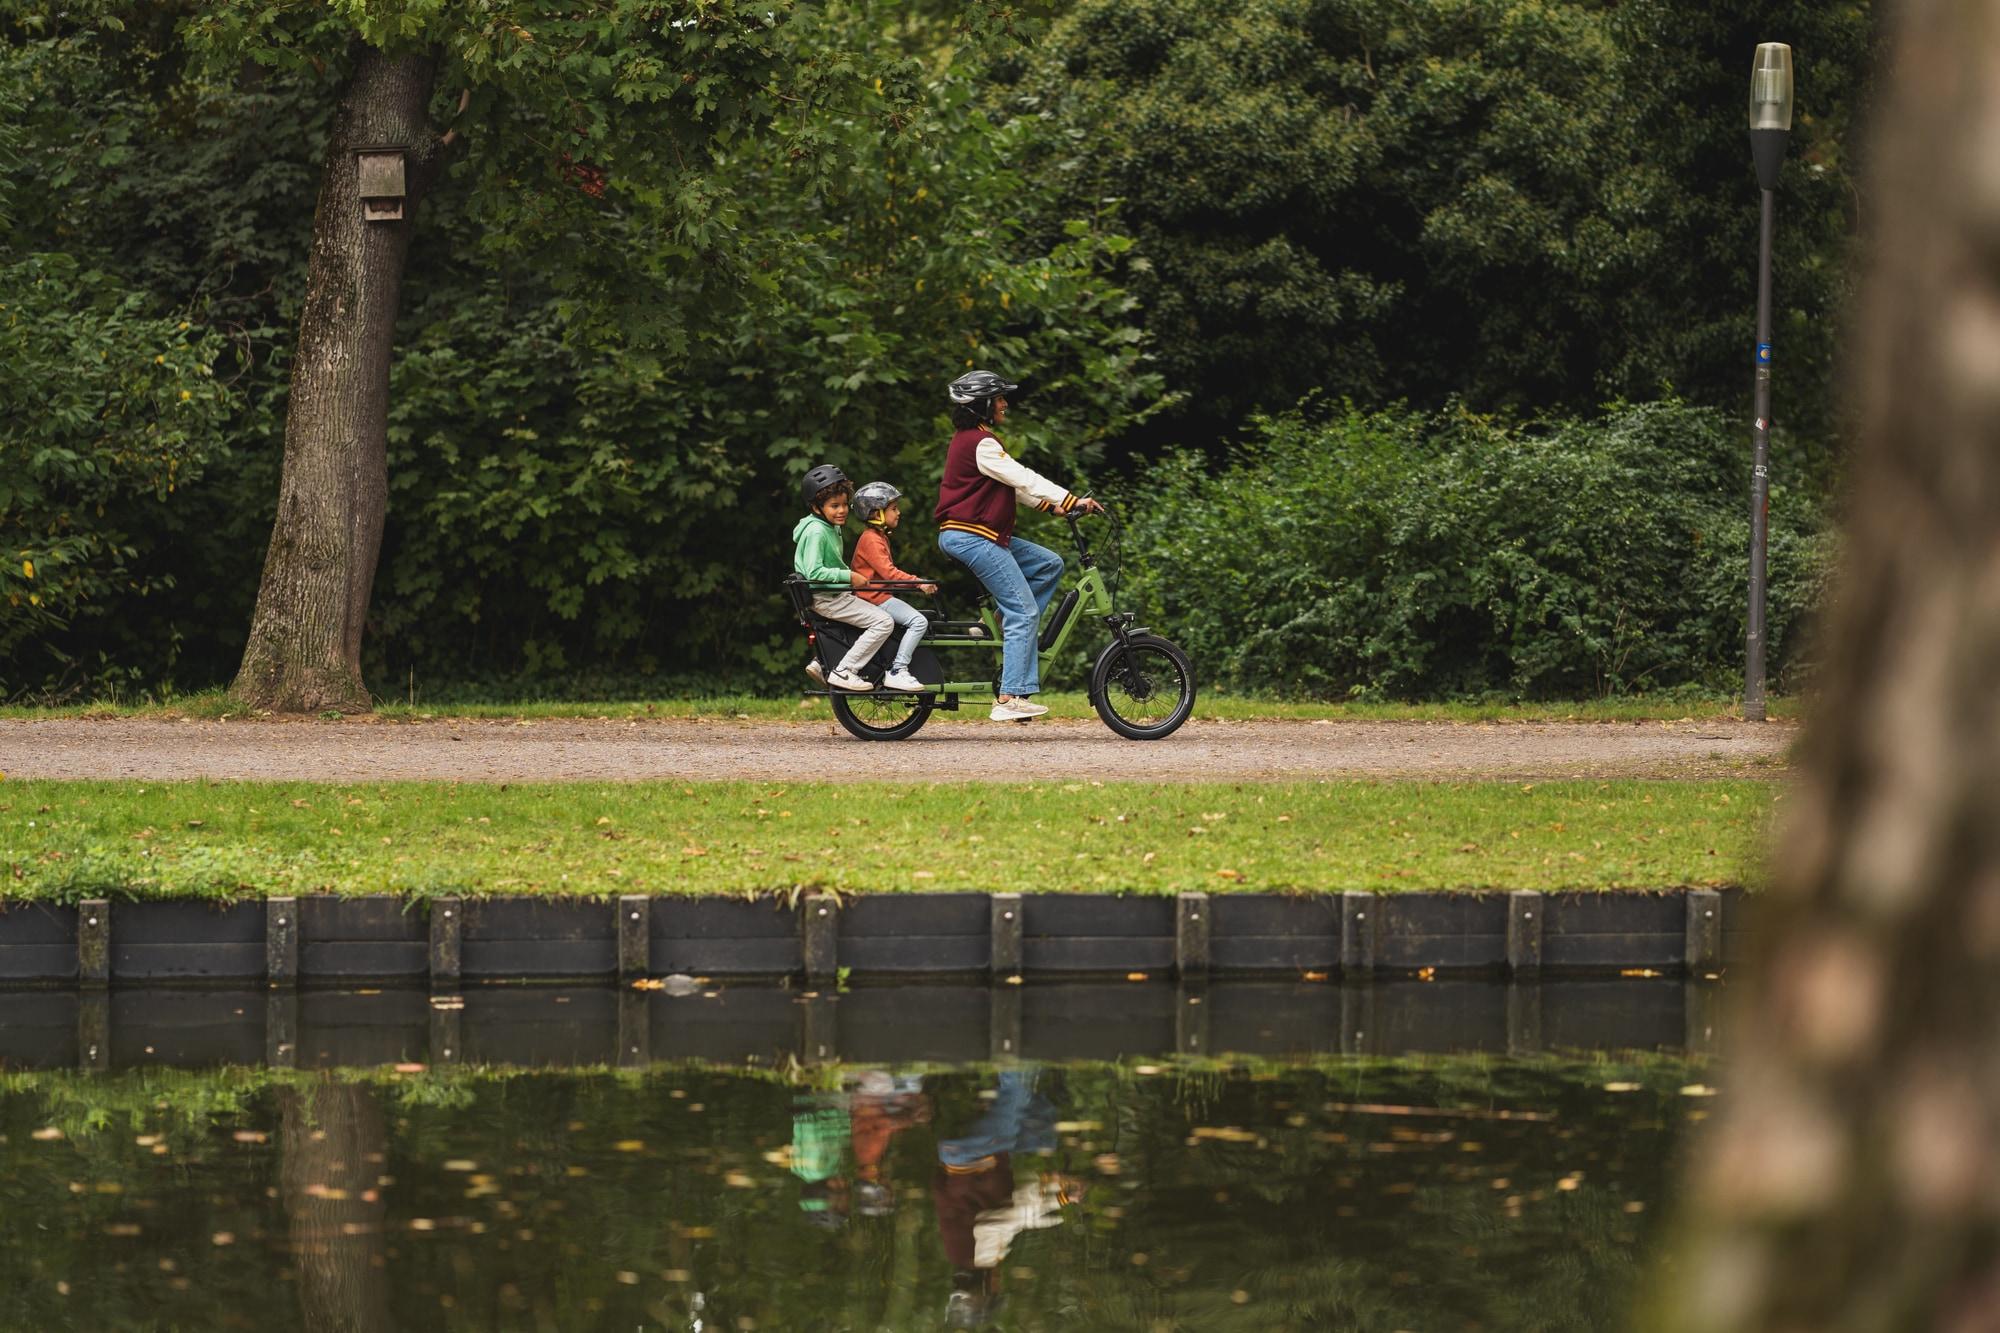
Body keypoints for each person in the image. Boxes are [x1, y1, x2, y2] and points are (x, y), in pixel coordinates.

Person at [933, 370, 1105, 722]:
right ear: (982, 405)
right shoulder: (981, 443)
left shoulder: (972, 439)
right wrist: (1070, 498)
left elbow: (1011, 487)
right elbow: (1023, 476)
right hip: (971, 536)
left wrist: (1055, 507)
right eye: (998, 399)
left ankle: (1000, 619)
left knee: (1049, 564)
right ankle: (1009, 696)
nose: (1004, 404)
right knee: (1024, 611)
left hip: (980, 534)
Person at [793, 464, 891, 692]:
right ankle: (845, 671)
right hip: (827, 598)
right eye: (834, 506)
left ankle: (822, 661)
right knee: (883, 621)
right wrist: (849, 577)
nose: (842, 510)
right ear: (817, 508)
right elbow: (813, 573)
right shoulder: (817, 532)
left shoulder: (829, 527)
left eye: (845, 504)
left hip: (834, 594)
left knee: (875, 609)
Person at [850, 481, 937, 694]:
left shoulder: (877, 537)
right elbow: (889, 573)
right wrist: (919, 583)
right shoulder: (871, 539)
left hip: (877, 596)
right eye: (894, 509)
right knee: (918, 621)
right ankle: (898, 669)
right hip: (874, 598)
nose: (898, 513)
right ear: (877, 512)